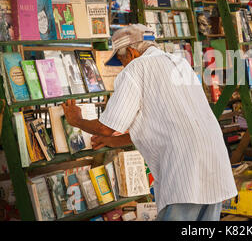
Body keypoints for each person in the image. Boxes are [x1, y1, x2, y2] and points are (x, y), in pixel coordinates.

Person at [61, 25, 237, 221]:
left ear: (131, 51)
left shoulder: (136, 68)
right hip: (214, 159)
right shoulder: (180, 63)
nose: (123, 66)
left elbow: (106, 128)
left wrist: (76, 120)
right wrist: (114, 142)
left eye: (121, 60)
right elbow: (166, 125)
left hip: (185, 169)